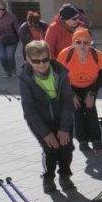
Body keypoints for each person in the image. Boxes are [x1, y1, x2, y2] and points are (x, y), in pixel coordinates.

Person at [20, 40, 76, 193]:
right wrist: (45, 133)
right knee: (50, 149)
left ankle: (65, 175)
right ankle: (48, 177)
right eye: (35, 61)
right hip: (40, 120)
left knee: (66, 148)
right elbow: (29, 109)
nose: (41, 64)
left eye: (45, 60)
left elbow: (67, 101)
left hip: (61, 117)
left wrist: (64, 127)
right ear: (27, 60)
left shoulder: (61, 73)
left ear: (50, 56)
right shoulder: (25, 78)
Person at [57, 27, 102, 151]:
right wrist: (71, 94)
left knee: (90, 108)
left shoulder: (98, 55)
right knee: (77, 110)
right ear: (73, 43)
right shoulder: (65, 54)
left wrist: (92, 92)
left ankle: (96, 139)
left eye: (86, 42)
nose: (82, 45)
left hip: (91, 85)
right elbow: (59, 76)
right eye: (78, 42)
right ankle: (82, 141)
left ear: (90, 43)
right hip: (71, 86)